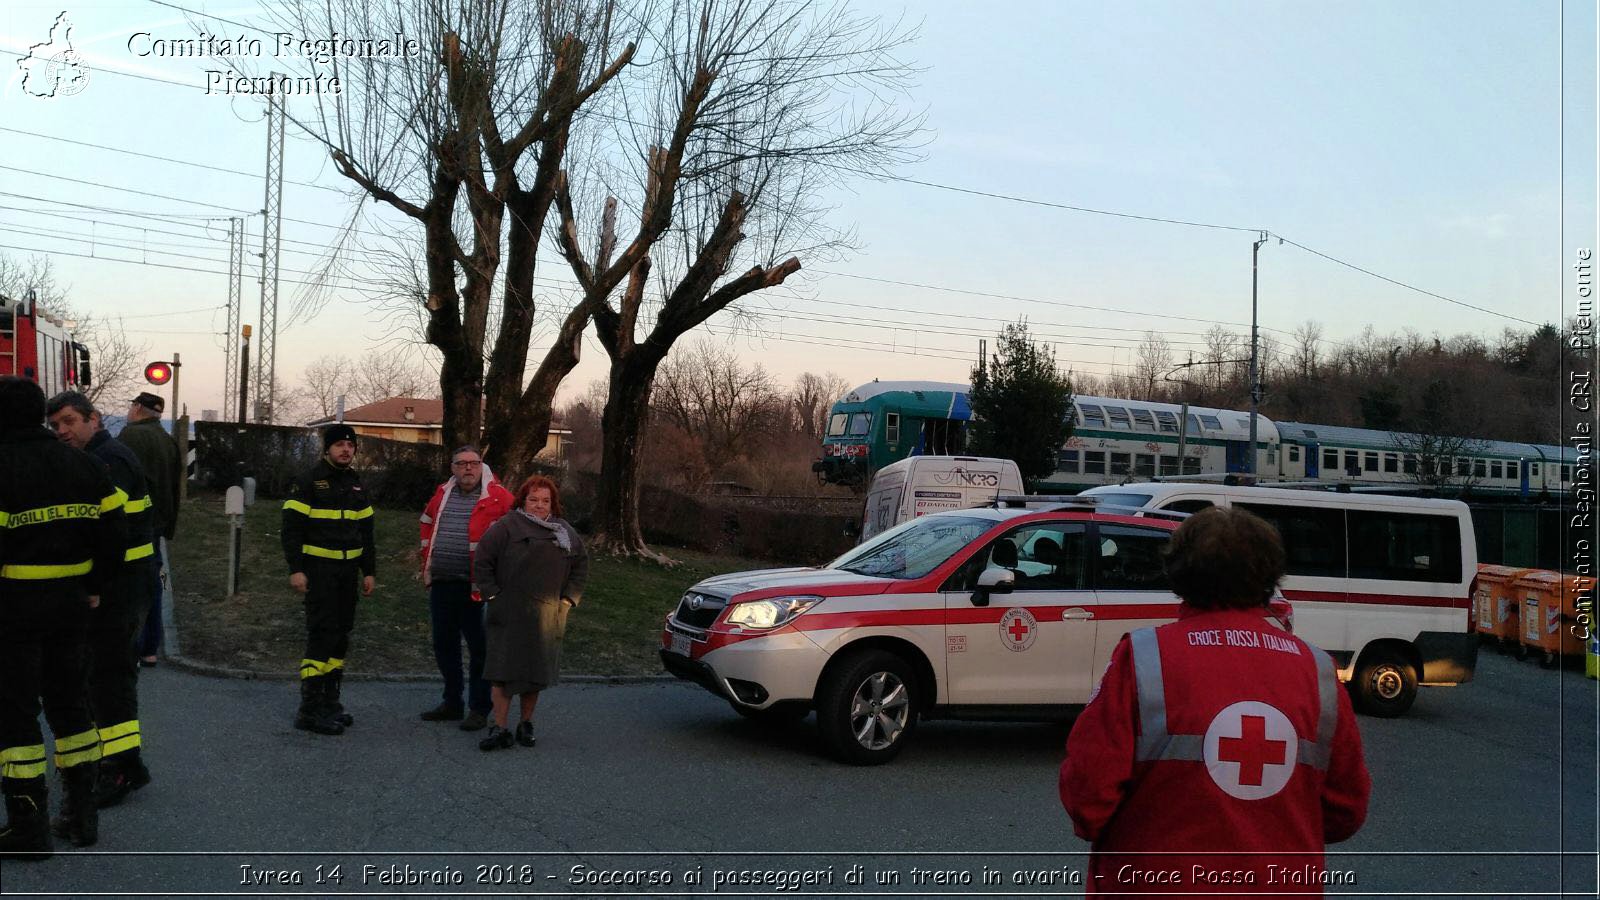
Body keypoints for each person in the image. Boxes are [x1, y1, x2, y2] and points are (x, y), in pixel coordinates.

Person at [1059, 507, 1369, 896]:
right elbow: (1345, 812)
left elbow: (1088, 797)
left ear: (1179, 573)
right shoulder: (1319, 672)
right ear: (1271, 577)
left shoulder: (1142, 658)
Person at [0, 376, 125, 858]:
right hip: (72, 606)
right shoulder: (85, 465)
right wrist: (94, 587)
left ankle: (26, 827)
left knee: (14, 715)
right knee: (71, 705)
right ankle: (80, 815)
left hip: (13, 609)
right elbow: (116, 531)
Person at [45, 393, 158, 812]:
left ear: (94, 419)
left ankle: (123, 768)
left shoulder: (110, 461)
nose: (63, 431)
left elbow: (107, 531)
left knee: (110, 678)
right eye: (56, 425)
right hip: (116, 583)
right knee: (99, 675)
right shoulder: (97, 457)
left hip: (120, 586)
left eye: (70, 421)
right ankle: (123, 762)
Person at [472, 475, 588, 751]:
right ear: (523, 500)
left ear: (553, 503)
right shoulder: (507, 526)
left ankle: (526, 724)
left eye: (545, 501)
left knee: (534, 673)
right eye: (533, 499)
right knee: (502, 671)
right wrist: (491, 594)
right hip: (508, 612)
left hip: (546, 616)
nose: (539, 505)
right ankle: (499, 728)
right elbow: (483, 559)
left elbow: (581, 566)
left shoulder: (564, 531)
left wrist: (569, 600)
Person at [281, 424, 375, 736]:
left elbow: (367, 533)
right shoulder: (309, 482)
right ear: (327, 449)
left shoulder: (356, 484)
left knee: (340, 637)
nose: (346, 449)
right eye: (339, 445)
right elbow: (291, 530)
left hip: (347, 577)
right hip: (319, 575)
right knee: (321, 636)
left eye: (350, 445)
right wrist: (296, 569)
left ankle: (330, 703)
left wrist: (369, 571)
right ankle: (308, 710)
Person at [418, 445, 514, 732]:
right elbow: (426, 524)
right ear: (453, 468)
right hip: (443, 583)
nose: (468, 469)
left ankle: (479, 708)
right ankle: (452, 702)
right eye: (461, 464)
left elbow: (516, 537)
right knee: (444, 646)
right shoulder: (442, 494)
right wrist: (428, 565)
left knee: (480, 649)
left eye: (473, 463)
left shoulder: (499, 498)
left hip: (478, 588)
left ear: (482, 465)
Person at [119, 392, 179, 668]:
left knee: (131, 586)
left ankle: (131, 647)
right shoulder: (168, 441)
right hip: (158, 522)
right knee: (154, 584)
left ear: (138, 408)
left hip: (135, 521)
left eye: (131, 406)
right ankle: (150, 649)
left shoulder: (130, 437)